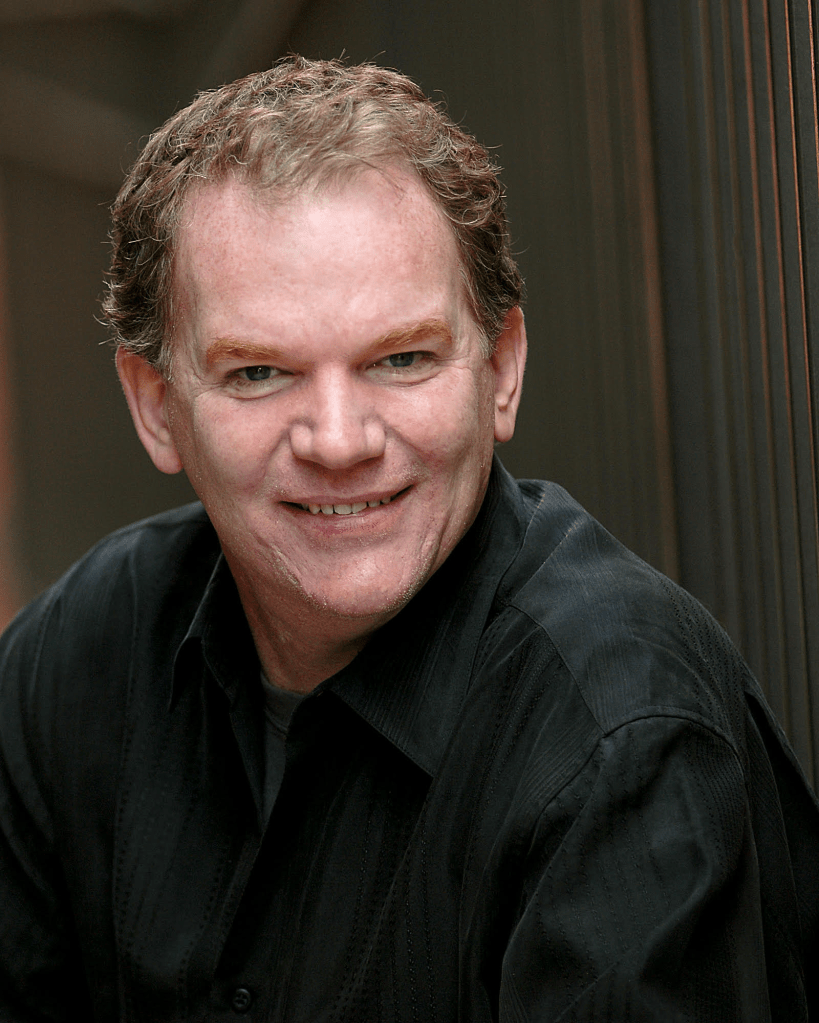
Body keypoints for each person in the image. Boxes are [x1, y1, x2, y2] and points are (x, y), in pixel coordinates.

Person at [1, 56, 817, 1022]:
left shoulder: (621, 735)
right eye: (259, 372)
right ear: (155, 407)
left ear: (500, 370)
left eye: (400, 358)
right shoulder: (79, 656)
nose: (338, 440)